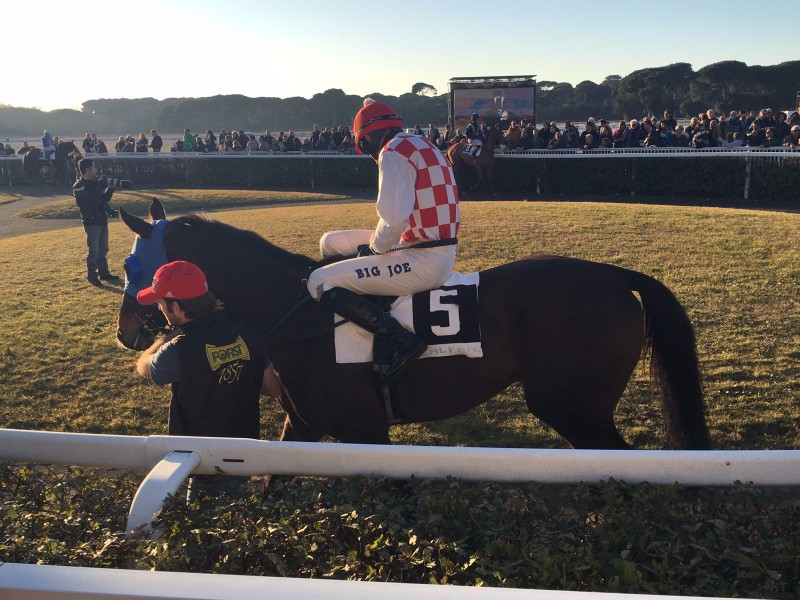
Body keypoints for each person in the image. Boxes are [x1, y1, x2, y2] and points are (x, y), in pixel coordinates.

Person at [306, 98, 460, 383]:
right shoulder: (421, 143)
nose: (367, 152)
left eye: (363, 145)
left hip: (422, 258)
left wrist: (375, 250)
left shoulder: (391, 152)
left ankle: (399, 338)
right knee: (330, 242)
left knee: (317, 281)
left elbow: (394, 218)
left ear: (370, 137)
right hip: (423, 244)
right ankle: (363, 305)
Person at [135, 260, 281, 501]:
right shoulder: (246, 332)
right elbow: (273, 388)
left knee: (204, 527)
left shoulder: (176, 351)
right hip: (242, 449)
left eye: (161, 304)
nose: (160, 310)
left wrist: (172, 335)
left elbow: (143, 365)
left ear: (176, 307)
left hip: (199, 459)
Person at [72, 158, 119, 285]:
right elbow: (91, 199)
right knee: (94, 251)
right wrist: (102, 184)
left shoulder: (95, 183)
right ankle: (92, 277)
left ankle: (104, 273)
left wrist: (110, 188)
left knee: (103, 249)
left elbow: (103, 199)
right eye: (94, 167)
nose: (96, 169)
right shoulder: (79, 186)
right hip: (91, 221)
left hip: (101, 219)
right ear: (87, 169)